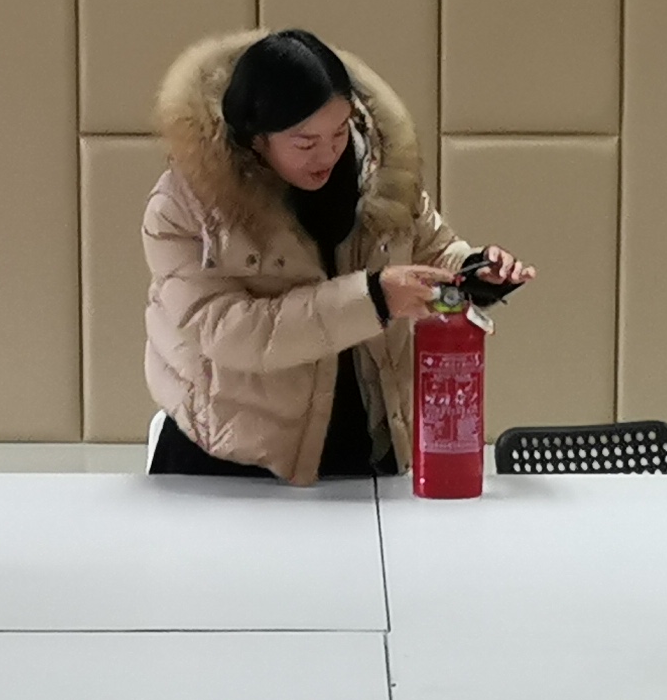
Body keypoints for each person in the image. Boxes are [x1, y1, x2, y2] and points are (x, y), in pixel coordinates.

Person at [143, 24, 532, 482]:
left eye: (340, 131)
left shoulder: (381, 178)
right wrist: (374, 298)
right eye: (305, 142)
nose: (328, 154)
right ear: (254, 136)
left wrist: (473, 271)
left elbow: (433, 248)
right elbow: (227, 331)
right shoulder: (188, 206)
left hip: (361, 449)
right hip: (231, 460)